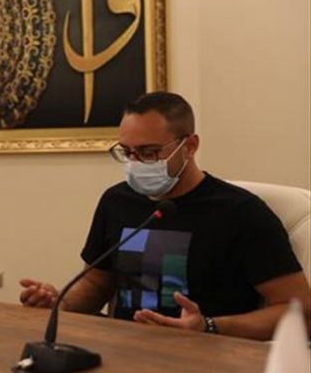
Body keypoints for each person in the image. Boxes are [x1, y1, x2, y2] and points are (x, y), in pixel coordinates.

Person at [19, 92, 310, 340]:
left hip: (207, 357)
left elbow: (300, 312)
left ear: (190, 146)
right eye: (127, 152)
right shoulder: (116, 201)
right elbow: (96, 284)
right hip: (123, 352)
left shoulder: (241, 212)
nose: (135, 163)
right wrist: (60, 303)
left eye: (149, 152)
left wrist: (208, 326)